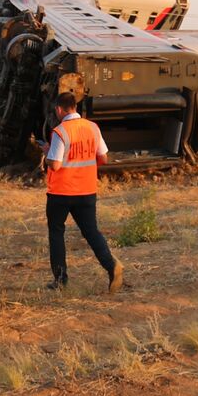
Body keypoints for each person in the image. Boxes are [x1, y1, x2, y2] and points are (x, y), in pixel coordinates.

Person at [44, 92, 123, 293]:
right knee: (91, 232)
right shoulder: (92, 128)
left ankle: (60, 280)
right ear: (75, 107)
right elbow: (103, 158)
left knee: (56, 233)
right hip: (87, 190)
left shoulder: (60, 132)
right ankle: (111, 265)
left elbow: (55, 164)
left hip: (61, 193)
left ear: (59, 109)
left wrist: (46, 153)